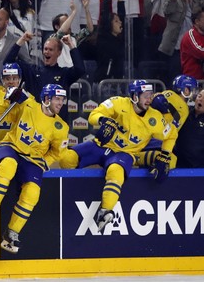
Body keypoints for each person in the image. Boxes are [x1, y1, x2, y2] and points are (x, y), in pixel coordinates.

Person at [59, 81, 170, 231]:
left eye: (150, 95)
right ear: (135, 96)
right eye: (145, 96)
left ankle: (105, 211)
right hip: (101, 145)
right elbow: (93, 115)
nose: (149, 99)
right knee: (67, 160)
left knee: (115, 172)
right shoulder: (118, 102)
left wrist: (165, 154)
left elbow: (171, 135)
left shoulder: (155, 117)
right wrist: (103, 120)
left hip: (125, 153)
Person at [0, 83, 69, 253]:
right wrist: (9, 99)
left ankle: (12, 233)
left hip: (33, 160)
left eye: (62, 100)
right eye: (57, 99)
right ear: (46, 99)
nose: (60, 103)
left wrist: (44, 163)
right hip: (11, 147)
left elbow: (57, 152)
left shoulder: (61, 127)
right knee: (8, 166)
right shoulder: (27, 104)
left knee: (32, 193)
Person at [175, 89, 204, 168]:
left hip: (200, 169)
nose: (200, 99)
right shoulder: (184, 112)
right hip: (178, 166)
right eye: (199, 96)